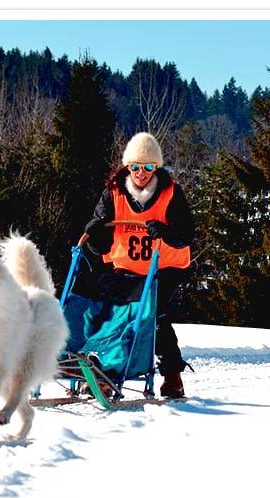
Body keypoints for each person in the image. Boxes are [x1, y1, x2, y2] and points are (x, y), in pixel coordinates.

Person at [84, 132, 194, 398]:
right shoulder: (114, 192)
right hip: (126, 268)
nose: (141, 173)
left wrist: (166, 232)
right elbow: (95, 236)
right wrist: (97, 237)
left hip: (165, 268)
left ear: (155, 168)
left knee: (154, 315)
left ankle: (172, 375)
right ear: (127, 167)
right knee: (115, 314)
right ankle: (105, 367)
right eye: (135, 166)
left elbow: (186, 233)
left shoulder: (170, 192)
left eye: (147, 167)